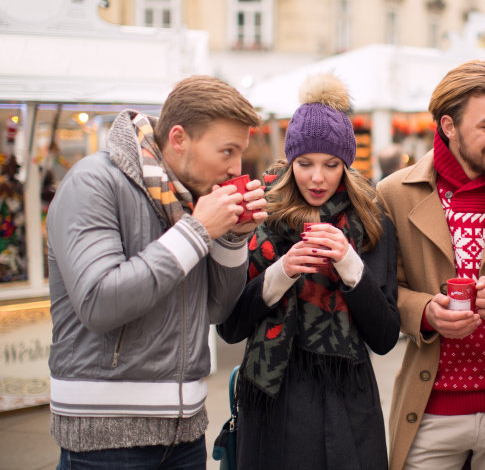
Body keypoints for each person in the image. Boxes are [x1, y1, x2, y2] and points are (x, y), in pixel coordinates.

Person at [47, 75, 266, 468]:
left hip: (185, 434)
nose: (236, 167)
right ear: (179, 138)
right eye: (227, 151)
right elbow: (98, 301)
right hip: (105, 437)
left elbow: (217, 311)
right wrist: (198, 231)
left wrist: (233, 239)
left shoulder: (190, 196)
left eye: (241, 152)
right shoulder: (93, 182)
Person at [218, 73, 400, 469]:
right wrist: (282, 271)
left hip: (346, 404)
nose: (317, 178)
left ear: (347, 163)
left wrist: (349, 264)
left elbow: (385, 336)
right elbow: (229, 326)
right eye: (305, 163)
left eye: (331, 164)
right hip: (273, 402)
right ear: (290, 160)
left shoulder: (371, 217)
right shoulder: (259, 211)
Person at [376, 59, 485, 470]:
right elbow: (382, 291)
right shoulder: (393, 193)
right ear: (449, 126)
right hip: (430, 408)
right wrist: (423, 312)